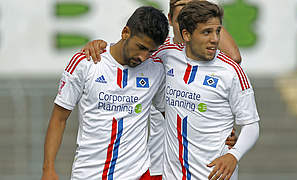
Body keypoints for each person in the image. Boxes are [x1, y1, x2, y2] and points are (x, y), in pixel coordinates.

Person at [81, 1, 240, 179]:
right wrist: (97, 45)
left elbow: (234, 57)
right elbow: (123, 49)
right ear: (171, 20)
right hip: (159, 163)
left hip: (194, 166)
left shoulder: (212, 63)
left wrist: (218, 130)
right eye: (183, 20)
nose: (188, 26)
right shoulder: (159, 52)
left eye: (196, 21)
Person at [41, 6, 169, 180]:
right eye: (140, 47)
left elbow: (171, 117)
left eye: (151, 51)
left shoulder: (156, 70)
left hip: (137, 174)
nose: (143, 57)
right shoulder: (86, 62)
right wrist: (48, 169)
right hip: (88, 173)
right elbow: (59, 118)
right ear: (125, 32)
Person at [151, 1, 260, 179]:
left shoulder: (230, 71)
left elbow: (251, 124)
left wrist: (234, 154)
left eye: (218, 31)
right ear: (186, 35)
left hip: (213, 175)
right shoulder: (167, 55)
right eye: (206, 32)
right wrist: (101, 48)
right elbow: (130, 55)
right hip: (172, 175)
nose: (215, 39)